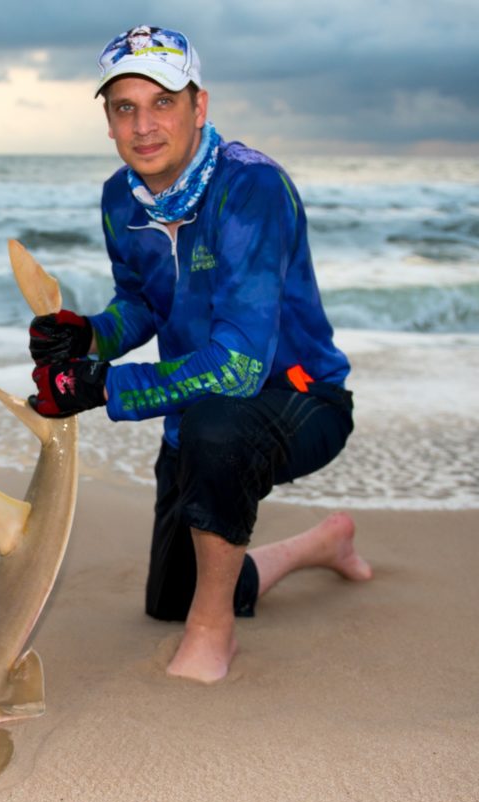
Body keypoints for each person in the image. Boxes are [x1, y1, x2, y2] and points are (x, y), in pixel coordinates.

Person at [27, 25, 372, 684]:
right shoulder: (118, 199)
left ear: (199, 107)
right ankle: (323, 543)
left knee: (219, 423)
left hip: (301, 397)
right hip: (197, 407)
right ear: (108, 122)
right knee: (166, 602)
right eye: (124, 107)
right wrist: (88, 335)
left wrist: (104, 387)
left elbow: (241, 366)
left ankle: (214, 634)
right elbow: (145, 305)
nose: (143, 124)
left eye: (162, 102)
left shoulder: (251, 188)